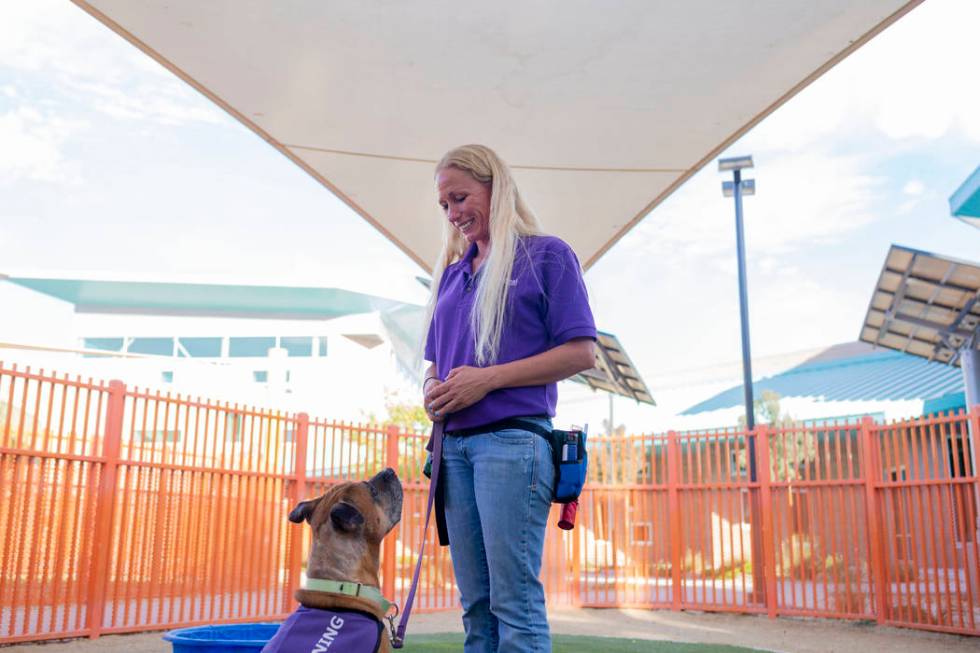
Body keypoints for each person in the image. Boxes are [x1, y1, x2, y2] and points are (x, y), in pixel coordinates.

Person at [422, 144, 597, 653]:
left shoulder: (547, 255)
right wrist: (432, 392)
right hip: (452, 451)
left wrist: (488, 379)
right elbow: (436, 366)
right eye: (445, 206)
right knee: (476, 608)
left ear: (495, 188)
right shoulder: (453, 276)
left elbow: (582, 351)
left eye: (460, 198)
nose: (453, 214)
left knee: (513, 603)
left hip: (513, 445)